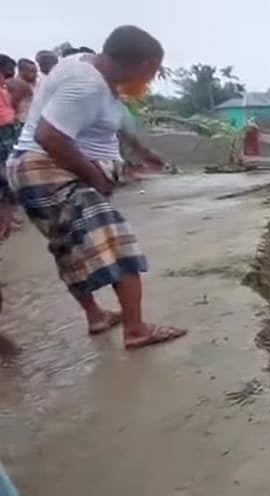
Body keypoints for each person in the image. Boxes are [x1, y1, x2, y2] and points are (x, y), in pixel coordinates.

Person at [6, 25, 187, 348]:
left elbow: (99, 127)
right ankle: (136, 329)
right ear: (142, 65)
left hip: (33, 171)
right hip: (52, 170)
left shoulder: (84, 65)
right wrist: (95, 176)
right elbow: (49, 136)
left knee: (67, 248)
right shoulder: (87, 85)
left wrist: (135, 158)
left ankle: (97, 316)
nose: (149, 81)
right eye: (151, 72)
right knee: (117, 240)